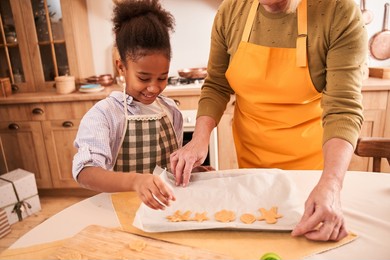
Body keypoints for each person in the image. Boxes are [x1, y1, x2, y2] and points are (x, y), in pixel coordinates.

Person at [170, 0, 367, 241]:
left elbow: (342, 109)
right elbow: (216, 85)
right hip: (251, 168)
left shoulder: (339, 12)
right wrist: (200, 139)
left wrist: (331, 184)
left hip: (313, 173)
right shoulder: (231, 11)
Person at [72, 0, 182, 210]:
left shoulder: (170, 111)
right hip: (119, 212)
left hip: (164, 211)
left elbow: (167, 168)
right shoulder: (105, 115)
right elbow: (85, 173)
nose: (153, 88)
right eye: (143, 77)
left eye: (162, 78)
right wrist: (135, 181)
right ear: (121, 67)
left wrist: (191, 172)